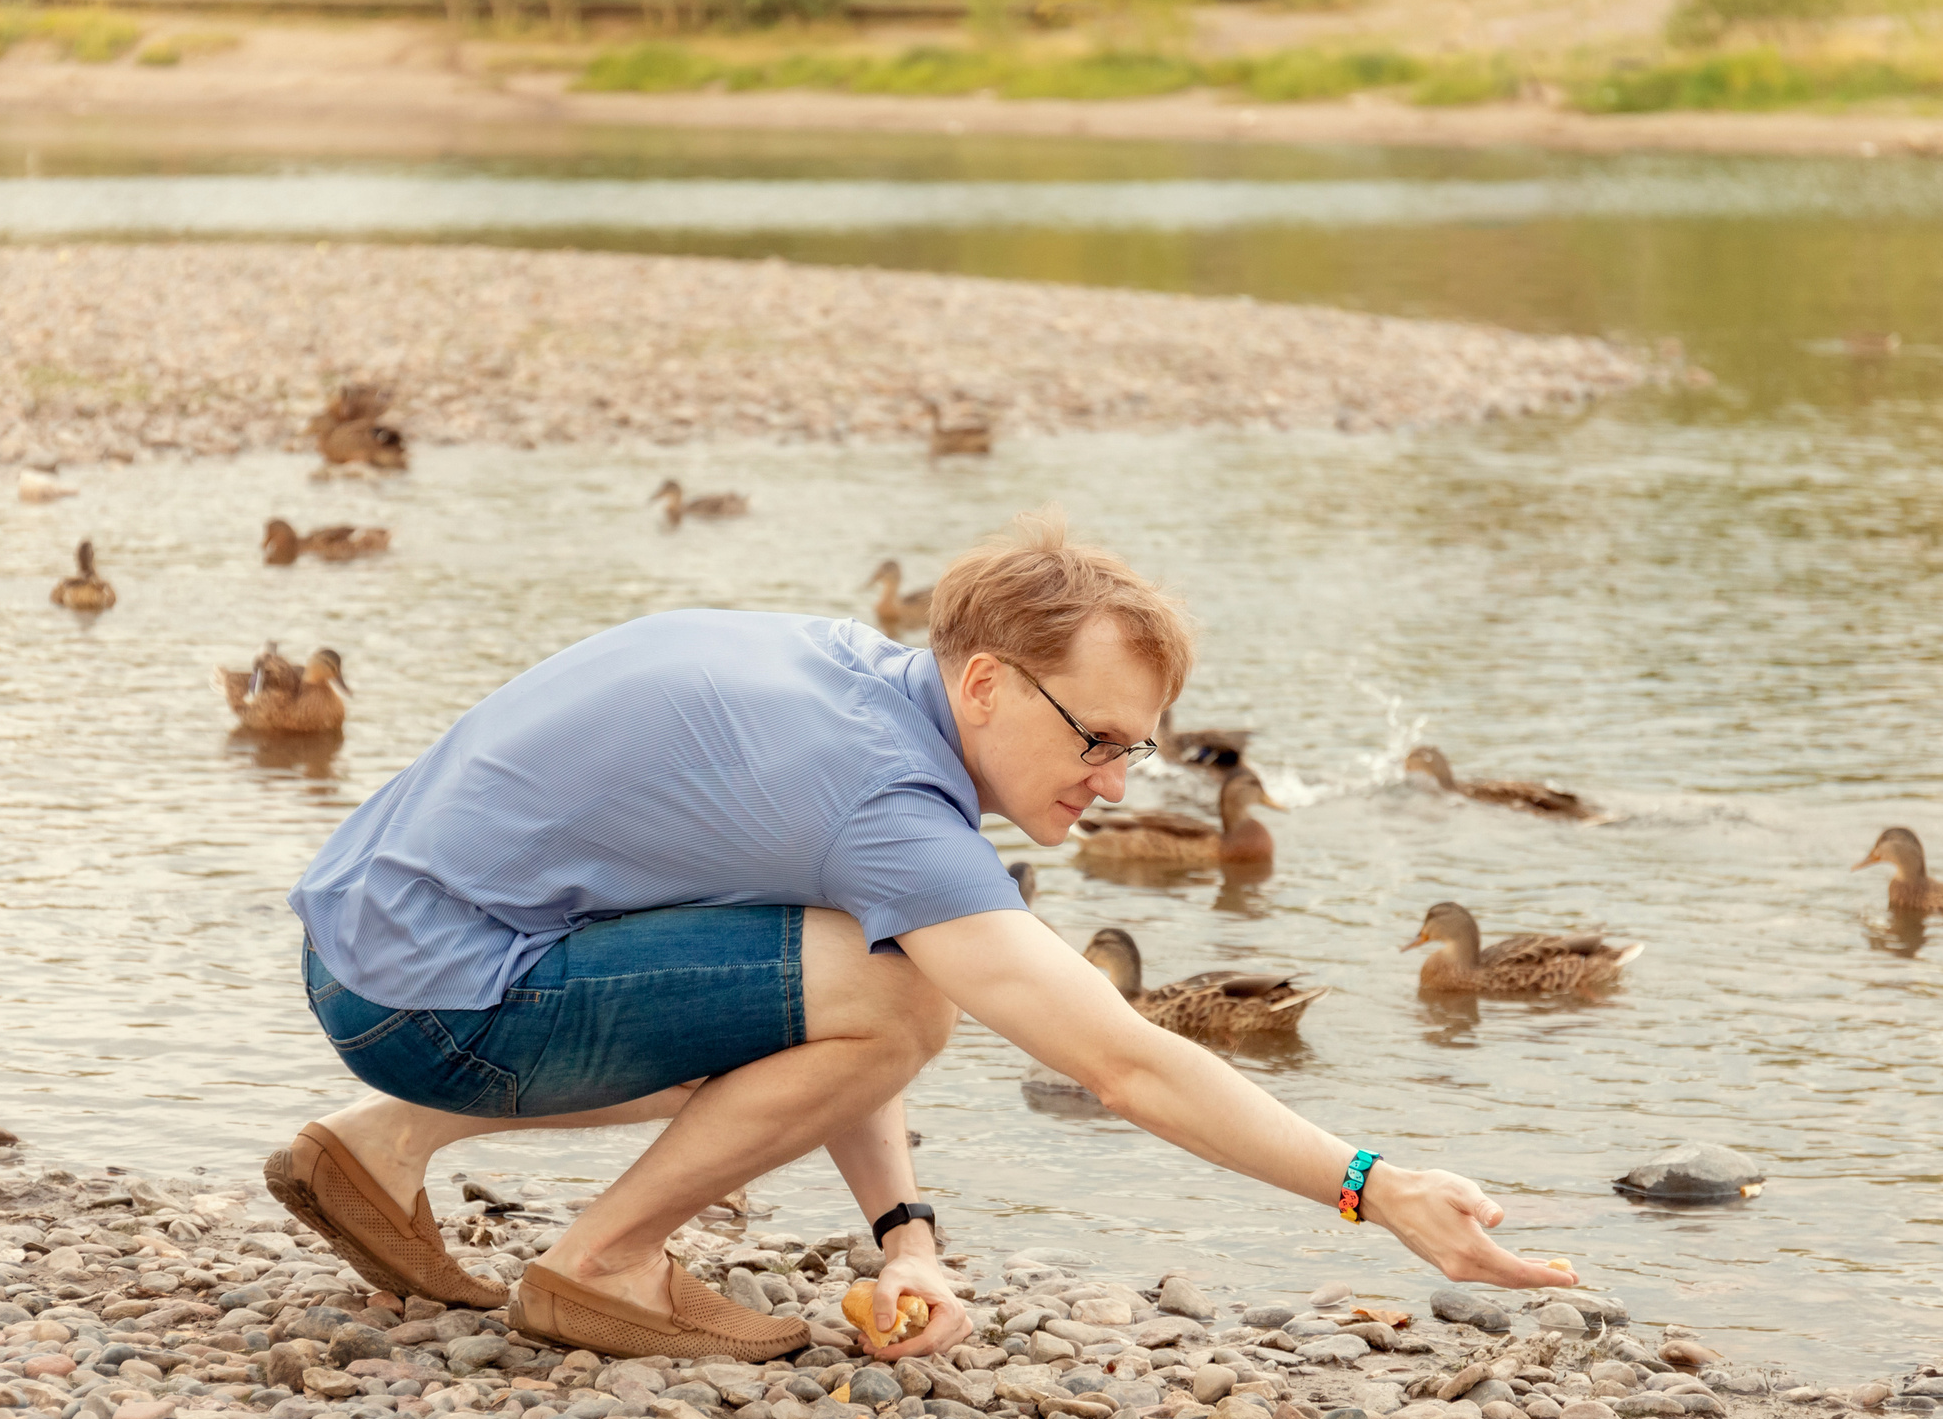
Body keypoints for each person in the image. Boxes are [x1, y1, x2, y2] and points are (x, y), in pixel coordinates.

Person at [269, 512, 1577, 1365]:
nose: (1118, 782)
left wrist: (904, 1235)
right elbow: (1120, 1060)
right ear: (993, 682)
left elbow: (822, 974)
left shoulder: (858, 677)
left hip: (384, 947)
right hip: (419, 1001)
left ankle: (389, 1144)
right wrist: (1376, 1186)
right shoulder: (884, 804)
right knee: (904, 1004)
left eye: (1137, 750)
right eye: (1099, 740)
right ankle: (599, 1266)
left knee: (875, 981)